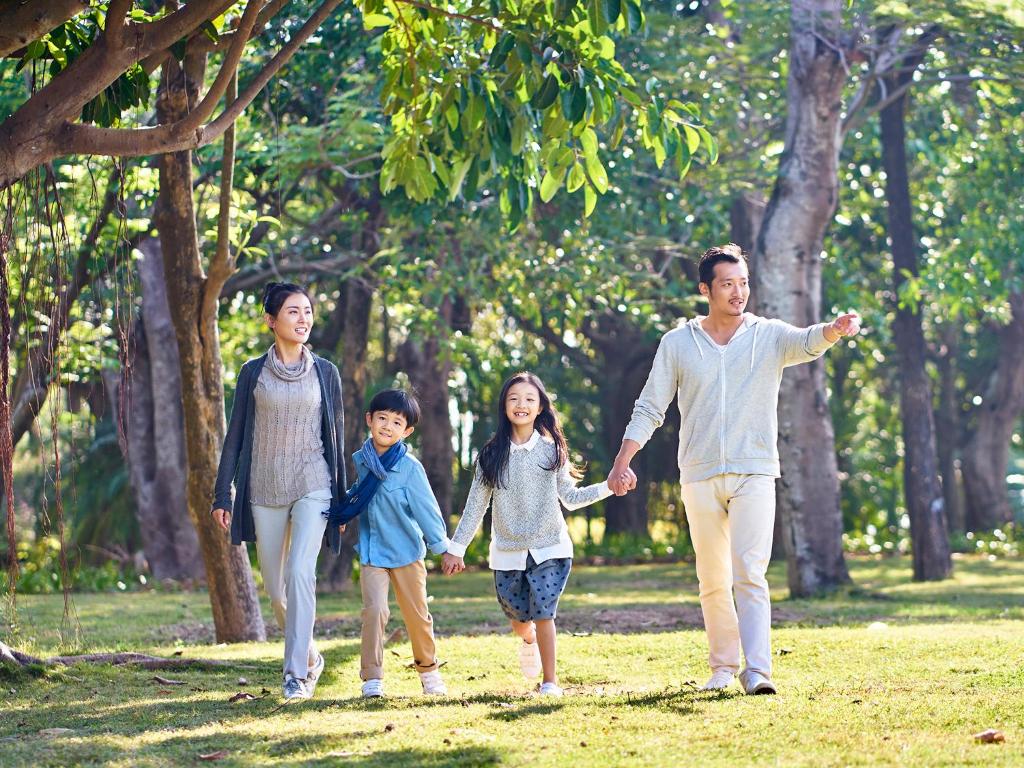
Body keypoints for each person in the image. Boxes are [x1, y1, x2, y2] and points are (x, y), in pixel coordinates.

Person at [607, 244, 860, 695]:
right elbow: (650, 406)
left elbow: (806, 341)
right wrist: (623, 460)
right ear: (706, 289)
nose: (738, 292)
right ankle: (723, 667)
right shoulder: (678, 343)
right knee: (712, 577)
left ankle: (758, 671)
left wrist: (834, 330)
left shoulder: (767, 335)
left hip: (755, 469)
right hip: (699, 473)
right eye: (727, 283)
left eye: (743, 282)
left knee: (750, 570)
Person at [211, 281, 346, 701]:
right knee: (275, 587)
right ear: (271, 320)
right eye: (293, 311)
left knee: (300, 572)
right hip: (264, 487)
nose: (303, 318)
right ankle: (308, 655)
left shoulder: (326, 372)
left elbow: (335, 439)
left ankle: (294, 676)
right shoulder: (253, 372)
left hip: (313, 481)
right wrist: (222, 493)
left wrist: (340, 502)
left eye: (307, 310)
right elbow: (234, 435)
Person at [442, 372, 614, 697]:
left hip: (550, 547)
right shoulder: (490, 455)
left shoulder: (552, 451)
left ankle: (550, 682)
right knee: (519, 617)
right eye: (514, 398)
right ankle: (527, 638)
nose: (521, 404)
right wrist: (457, 548)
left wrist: (609, 487)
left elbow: (571, 498)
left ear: (539, 408)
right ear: (504, 406)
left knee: (544, 612)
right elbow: (475, 506)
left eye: (529, 399)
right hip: (507, 552)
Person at [344, 388, 451, 698]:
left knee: (417, 616)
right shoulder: (361, 461)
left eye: (396, 422)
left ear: (407, 431)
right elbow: (356, 494)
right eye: (382, 419)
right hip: (372, 553)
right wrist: (341, 516)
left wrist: (442, 547)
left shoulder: (410, 468)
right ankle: (372, 678)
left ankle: (429, 672)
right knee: (374, 611)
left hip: (406, 554)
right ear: (369, 420)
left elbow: (427, 511)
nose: (387, 427)